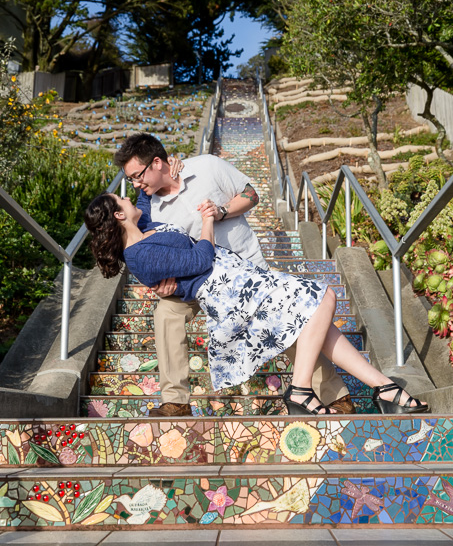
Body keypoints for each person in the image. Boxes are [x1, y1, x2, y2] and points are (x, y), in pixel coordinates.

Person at [84, 192, 429, 416]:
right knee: (323, 297)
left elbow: (143, 201)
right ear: (116, 215)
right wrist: (207, 222)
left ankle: (384, 389)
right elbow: (201, 261)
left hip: (239, 277)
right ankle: (301, 390)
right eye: (122, 198)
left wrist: (162, 171)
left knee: (313, 317)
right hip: (229, 291)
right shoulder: (139, 254)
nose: (131, 196)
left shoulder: (146, 228)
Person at [113, 133, 355, 416]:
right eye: (131, 179)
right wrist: (159, 283)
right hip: (196, 281)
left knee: (286, 317)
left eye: (137, 176)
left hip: (246, 268)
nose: (135, 184)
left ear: (156, 163)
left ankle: (334, 395)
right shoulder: (147, 205)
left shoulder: (206, 166)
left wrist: (222, 211)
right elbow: (143, 247)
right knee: (166, 313)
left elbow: (252, 194)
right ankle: (175, 402)